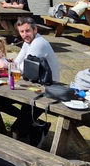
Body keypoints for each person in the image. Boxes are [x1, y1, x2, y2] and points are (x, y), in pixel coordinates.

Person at [11, 17, 60, 147]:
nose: (24, 35)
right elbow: (17, 62)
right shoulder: (28, 43)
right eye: (21, 32)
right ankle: (34, 126)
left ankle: (37, 127)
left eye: (27, 31)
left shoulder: (39, 43)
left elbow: (23, 68)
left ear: (35, 29)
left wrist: (12, 66)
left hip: (49, 87)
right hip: (35, 83)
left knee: (17, 127)